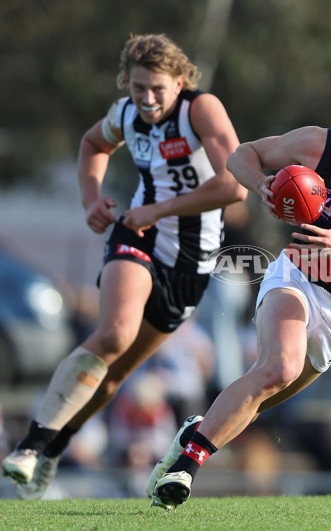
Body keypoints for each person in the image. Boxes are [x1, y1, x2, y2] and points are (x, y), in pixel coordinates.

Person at [148, 64, 331, 511]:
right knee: (278, 368)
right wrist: (262, 185)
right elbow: (240, 155)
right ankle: (185, 469)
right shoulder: (319, 143)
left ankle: (195, 433)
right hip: (297, 276)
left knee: (261, 401)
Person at [1, 33, 247, 499]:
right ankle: (31, 444)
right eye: (138, 88)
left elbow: (234, 186)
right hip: (137, 233)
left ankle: (54, 448)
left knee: (114, 375)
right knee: (113, 333)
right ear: (127, 85)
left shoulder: (201, 109)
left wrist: (162, 207)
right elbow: (93, 144)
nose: (148, 99)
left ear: (179, 82)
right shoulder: (125, 114)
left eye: (157, 88)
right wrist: (91, 198)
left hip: (190, 263)